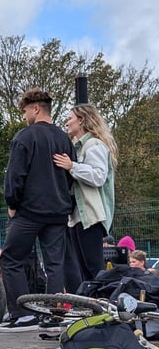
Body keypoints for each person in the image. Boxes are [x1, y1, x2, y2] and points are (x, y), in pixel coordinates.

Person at [0, 88, 75, 332]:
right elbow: (71, 176)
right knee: (54, 264)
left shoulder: (25, 137)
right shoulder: (65, 139)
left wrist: (12, 203)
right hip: (59, 211)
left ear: (35, 108)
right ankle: (55, 314)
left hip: (30, 211)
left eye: (24, 111)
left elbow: (15, 175)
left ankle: (22, 315)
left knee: (10, 259)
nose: (23, 116)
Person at [54, 103, 117, 293]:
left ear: (81, 120)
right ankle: (92, 304)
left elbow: (98, 176)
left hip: (91, 215)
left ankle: (102, 303)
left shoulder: (94, 145)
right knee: (84, 268)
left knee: (93, 267)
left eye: (70, 118)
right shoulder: (79, 147)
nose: (67, 122)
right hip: (78, 216)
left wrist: (71, 166)